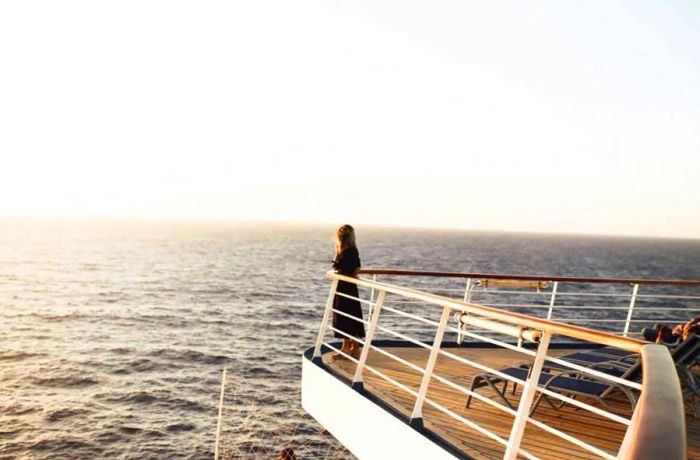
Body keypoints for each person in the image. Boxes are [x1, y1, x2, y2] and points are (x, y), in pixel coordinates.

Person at [332, 224, 365, 358]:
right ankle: (352, 347)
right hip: (348, 286)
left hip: (345, 286)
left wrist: (336, 252)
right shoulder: (351, 249)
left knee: (346, 316)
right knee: (350, 316)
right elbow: (356, 267)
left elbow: (338, 266)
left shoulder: (348, 250)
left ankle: (350, 348)